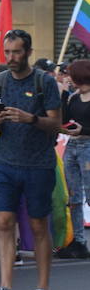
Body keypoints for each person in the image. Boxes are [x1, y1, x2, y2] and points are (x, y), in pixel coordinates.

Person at [0, 30, 63, 290]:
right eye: (8, 52)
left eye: (16, 52)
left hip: (39, 164)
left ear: (28, 52)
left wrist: (30, 119)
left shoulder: (44, 82)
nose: (11, 58)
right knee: (3, 222)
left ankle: (42, 289)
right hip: (5, 162)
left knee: (39, 224)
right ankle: (5, 288)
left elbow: (56, 123)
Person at [56, 59, 90, 260]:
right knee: (74, 196)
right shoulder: (74, 98)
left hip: (88, 147)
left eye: (70, 74)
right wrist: (63, 95)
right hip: (73, 147)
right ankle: (79, 241)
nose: (67, 77)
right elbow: (63, 119)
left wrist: (83, 130)